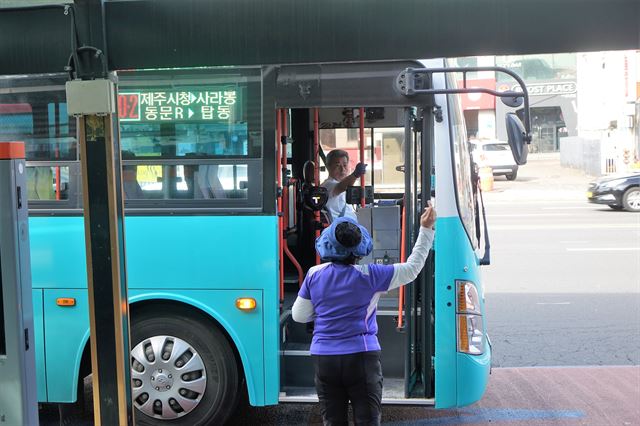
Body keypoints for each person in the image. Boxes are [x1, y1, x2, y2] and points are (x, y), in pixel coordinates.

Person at [292, 204, 437, 425]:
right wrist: (426, 229)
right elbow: (412, 268)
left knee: (332, 421)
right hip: (362, 358)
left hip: (324, 359)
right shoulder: (372, 275)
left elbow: (299, 316)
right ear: (360, 247)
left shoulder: (313, 274)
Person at [321, 149, 367, 222]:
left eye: (345, 165)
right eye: (337, 165)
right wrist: (356, 174)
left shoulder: (341, 184)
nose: (342, 170)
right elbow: (341, 187)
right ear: (328, 167)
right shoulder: (327, 185)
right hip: (342, 230)